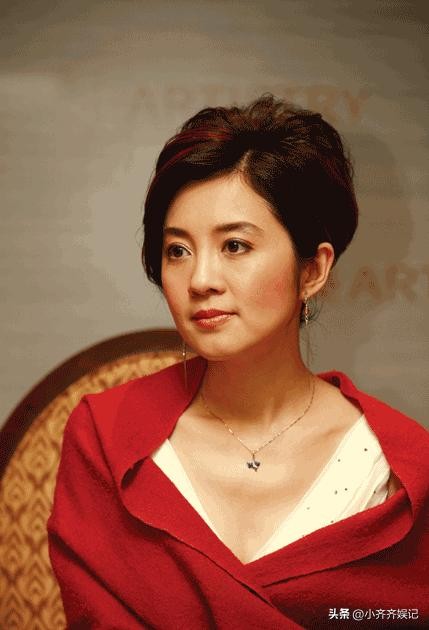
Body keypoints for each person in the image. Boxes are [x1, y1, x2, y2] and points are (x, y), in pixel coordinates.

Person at [48, 95, 429, 629]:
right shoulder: (105, 437)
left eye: (234, 246)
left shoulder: (400, 471)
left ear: (313, 270)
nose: (200, 279)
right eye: (178, 250)